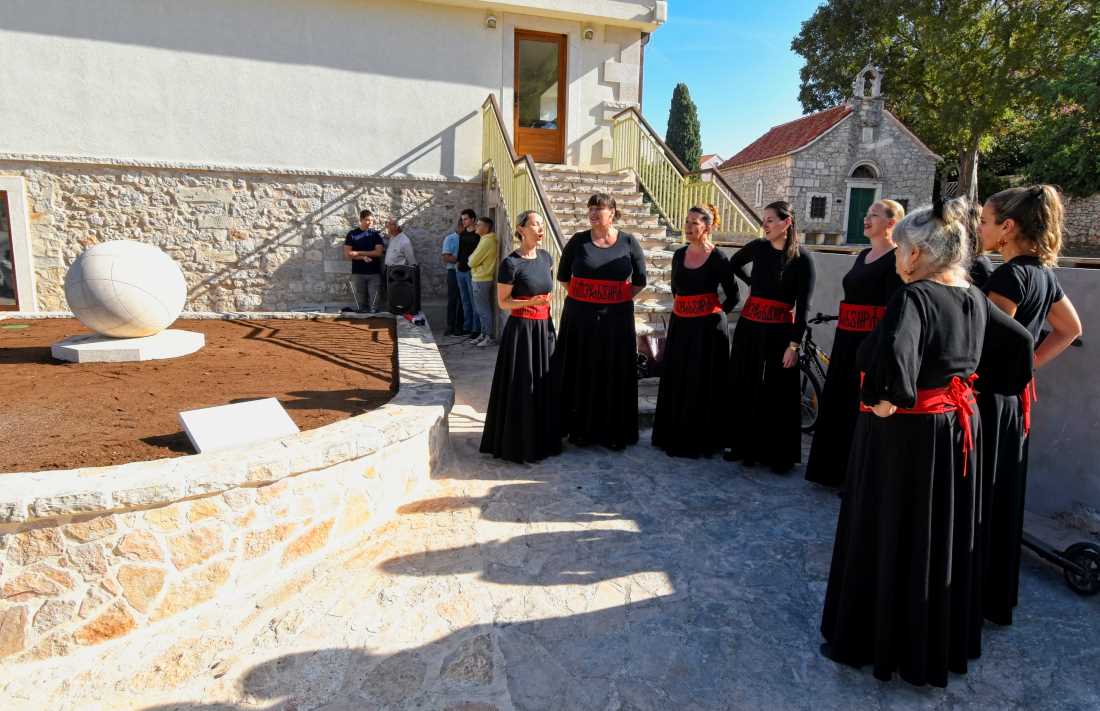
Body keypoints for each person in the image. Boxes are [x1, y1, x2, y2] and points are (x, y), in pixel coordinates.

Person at [820, 201, 1034, 688]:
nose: (896, 259)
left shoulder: (913, 297)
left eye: (900, 251)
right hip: (959, 429)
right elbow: (1020, 346)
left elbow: (895, 361)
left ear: (915, 255)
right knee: (941, 536)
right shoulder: (974, 296)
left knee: (892, 530)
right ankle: (934, 644)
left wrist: (883, 401)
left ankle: (874, 643)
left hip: (909, 438)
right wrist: (976, 388)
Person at [976, 185, 1083, 626]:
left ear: (1007, 227)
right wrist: (1030, 366)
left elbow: (981, 344)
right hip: (1015, 402)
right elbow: (1070, 329)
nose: (978, 229)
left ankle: (970, 596)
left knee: (978, 499)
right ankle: (994, 597)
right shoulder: (1043, 275)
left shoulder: (1006, 278)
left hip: (986, 403)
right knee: (1003, 498)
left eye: (984, 221)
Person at [805, 200, 905, 487]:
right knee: (837, 401)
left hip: (869, 343)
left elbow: (892, 310)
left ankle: (855, 475)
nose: (866, 218)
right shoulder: (863, 255)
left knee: (857, 406)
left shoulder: (896, 259)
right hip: (846, 339)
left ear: (891, 223)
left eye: (874, 215)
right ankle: (830, 470)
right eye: (867, 213)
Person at [725, 201, 816, 473]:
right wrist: (753, 283)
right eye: (763, 220)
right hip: (749, 327)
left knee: (779, 391)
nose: (764, 225)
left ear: (786, 223)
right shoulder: (758, 248)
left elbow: (804, 307)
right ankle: (743, 447)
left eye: (770, 220)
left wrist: (794, 345)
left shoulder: (803, 259)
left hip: (780, 333)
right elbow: (734, 263)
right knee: (745, 383)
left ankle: (778, 455)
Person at [553, 192, 646, 450]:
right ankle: (580, 430)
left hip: (616, 322)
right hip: (580, 320)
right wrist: (585, 297)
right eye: (590, 208)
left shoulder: (628, 242)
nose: (593, 213)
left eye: (599, 209)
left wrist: (614, 297)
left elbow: (640, 280)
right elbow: (563, 276)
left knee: (613, 372)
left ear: (612, 212)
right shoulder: (578, 241)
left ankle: (614, 432)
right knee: (581, 370)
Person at [651, 205, 739, 458]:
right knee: (678, 379)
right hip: (681, 326)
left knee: (701, 383)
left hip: (707, 332)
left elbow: (733, 295)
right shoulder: (678, 254)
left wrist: (714, 316)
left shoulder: (719, 258)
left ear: (708, 227)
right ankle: (673, 435)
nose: (688, 227)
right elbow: (675, 290)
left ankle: (700, 440)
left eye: (695, 223)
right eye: (687, 222)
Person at [480, 211, 561, 463]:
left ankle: (543, 439)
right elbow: (503, 303)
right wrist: (530, 302)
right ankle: (519, 443)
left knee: (544, 384)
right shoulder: (510, 263)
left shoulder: (546, 257)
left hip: (544, 330)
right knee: (523, 385)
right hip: (522, 332)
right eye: (535, 225)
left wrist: (541, 305)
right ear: (521, 229)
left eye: (541, 225)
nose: (540, 229)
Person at [343, 209, 385, 312]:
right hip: (358, 273)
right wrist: (362, 257)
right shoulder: (352, 234)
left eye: (371, 220)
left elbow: (378, 252)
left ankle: (373, 321)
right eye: (367, 220)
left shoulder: (375, 235)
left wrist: (358, 253)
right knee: (360, 304)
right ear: (361, 220)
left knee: (374, 303)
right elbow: (347, 255)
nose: (370, 222)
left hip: (374, 273)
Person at [468, 217, 499, 347]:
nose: (476, 226)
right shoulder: (485, 239)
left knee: (483, 309)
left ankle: (489, 337)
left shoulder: (487, 241)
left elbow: (472, 261)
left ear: (486, 228)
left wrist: (471, 261)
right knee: (480, 309)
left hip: (482, 279)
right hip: (479, 278)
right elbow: (474, 258)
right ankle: (484, 334)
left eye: (479, 224)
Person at [455, 209, 481, 338]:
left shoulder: (478, 234)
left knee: (474, 301)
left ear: (472, 219)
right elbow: (460, 251)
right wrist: (458, 264)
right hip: (461, 270)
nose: (463, 221)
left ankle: (476, 329)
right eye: (462, 219)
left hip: (472, 271)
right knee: (465, 301)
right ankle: (467, 326)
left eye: (465, 219)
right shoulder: (463, 233)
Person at [441, 219, 465, 336]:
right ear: (459, 225)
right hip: (453, 272)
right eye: (463, 225)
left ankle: (460, 326)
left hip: (466, 272)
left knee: (463, 300)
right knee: (453, 299)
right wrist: (461, 259)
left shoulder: (469, 238)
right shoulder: (450, 238)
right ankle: (450, 325)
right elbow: (446, 257)